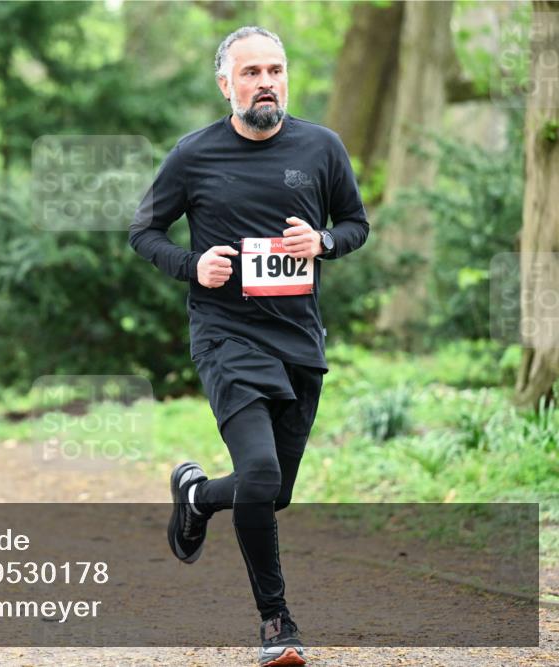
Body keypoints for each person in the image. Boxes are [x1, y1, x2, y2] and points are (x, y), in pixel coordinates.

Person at [129, 26, 369, 667]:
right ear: (226, 83)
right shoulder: (193, 154)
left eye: (276, 70)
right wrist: (191, 265)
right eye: (252, 72)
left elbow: (355, 225)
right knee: (260, 476)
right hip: (226, 335)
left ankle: (198, 496)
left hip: (298, 339)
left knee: (273, 491)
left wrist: (324, 243)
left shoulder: (322, 147)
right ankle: (277, 624)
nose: (267, 81)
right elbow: (144, 230)